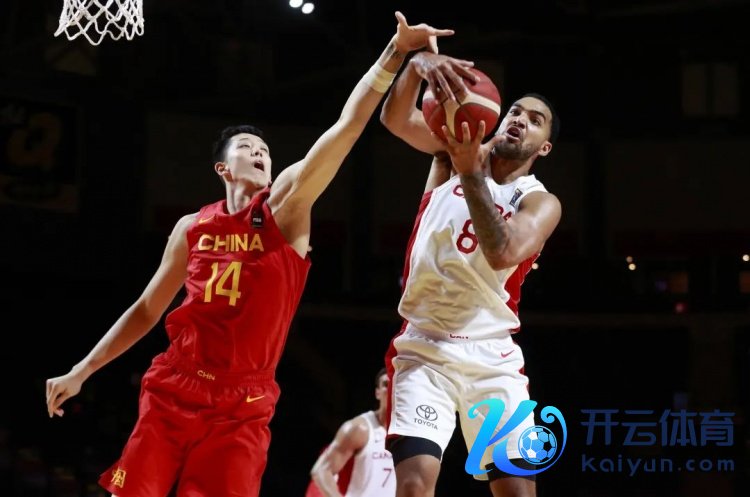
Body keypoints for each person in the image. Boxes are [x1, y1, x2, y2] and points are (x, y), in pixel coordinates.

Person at [44, 13, 456, 497]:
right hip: (175, 385)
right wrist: (83, 370)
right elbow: (147, 309)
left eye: (265, 149)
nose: (261, 152)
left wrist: (395, 51)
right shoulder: (192, 227)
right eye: (247, 146)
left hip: (243, 402)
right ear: (223, 167)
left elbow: (346, 129)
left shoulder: (287, 210)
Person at [379, 50, 562, 497]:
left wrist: (471, 174)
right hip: (425, 346)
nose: (520, 120)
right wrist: (415, 63)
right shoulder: (449, 156)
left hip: (491, 354)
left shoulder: (540, 202)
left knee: (517, 493)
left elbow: (503, 253)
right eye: (515, 111)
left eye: (535, 120)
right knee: (414, 487)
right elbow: (394, 119)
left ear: (544, 147)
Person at [307, 368, 395, 497]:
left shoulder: (414, 434)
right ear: (377, 393)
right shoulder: (360, 428)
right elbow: (321, 470)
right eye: (386, 384)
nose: (391, 389)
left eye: (395, 384)